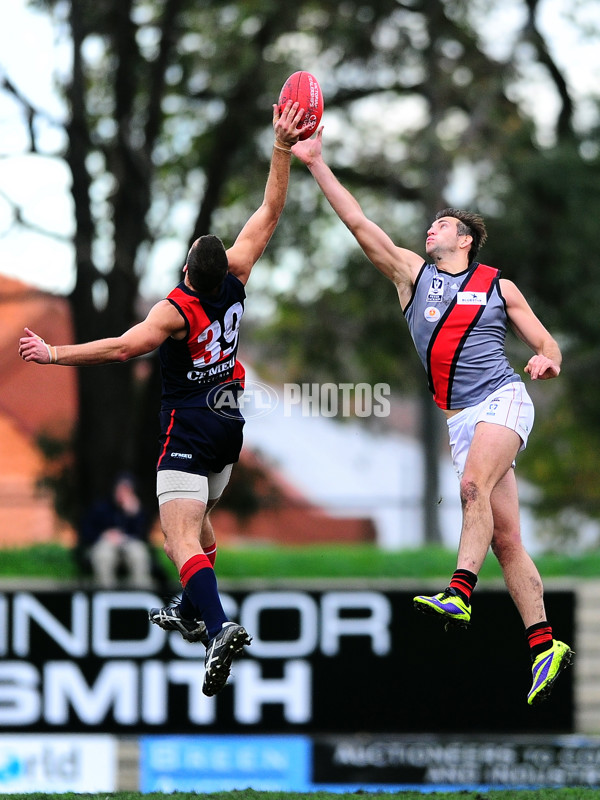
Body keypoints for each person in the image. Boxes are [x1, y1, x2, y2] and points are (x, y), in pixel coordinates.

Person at [19, 98, 307, 697]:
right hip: (230, 425)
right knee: (199, 536)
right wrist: (281, 148)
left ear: (183, 269)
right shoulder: (240, 275)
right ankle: (188, 606)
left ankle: (218, 629)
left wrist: (53, 355)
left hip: (191, 428)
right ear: (223, 264)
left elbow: (123, 350)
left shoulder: (174, 310)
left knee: (174, 538)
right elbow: (271, 210)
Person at [292, 128, 574, 706]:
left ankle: (459, 591)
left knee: (472, 486)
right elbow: (360, 223)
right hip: (461, 418)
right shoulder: (412, 277)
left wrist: (546, 362)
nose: (431, 229)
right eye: (431, 226)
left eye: (443, 225)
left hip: (503, 398)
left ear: (466, 239)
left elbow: (549, 346)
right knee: (507, 539)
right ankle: (544, 643)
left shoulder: (499, 285)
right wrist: (316, 164)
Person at [78, 471, 156, 588]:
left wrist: (135, 515)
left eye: (127, 490)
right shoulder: (101, 508)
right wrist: (104, 535)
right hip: (105, 544)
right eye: (121, 489)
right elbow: (86, 532)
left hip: (128, 543)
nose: (123, 494)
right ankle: (106, 593)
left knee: (138, 554)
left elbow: (143, 536)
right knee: (104, 555)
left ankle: (141, 592)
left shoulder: (136, 510)